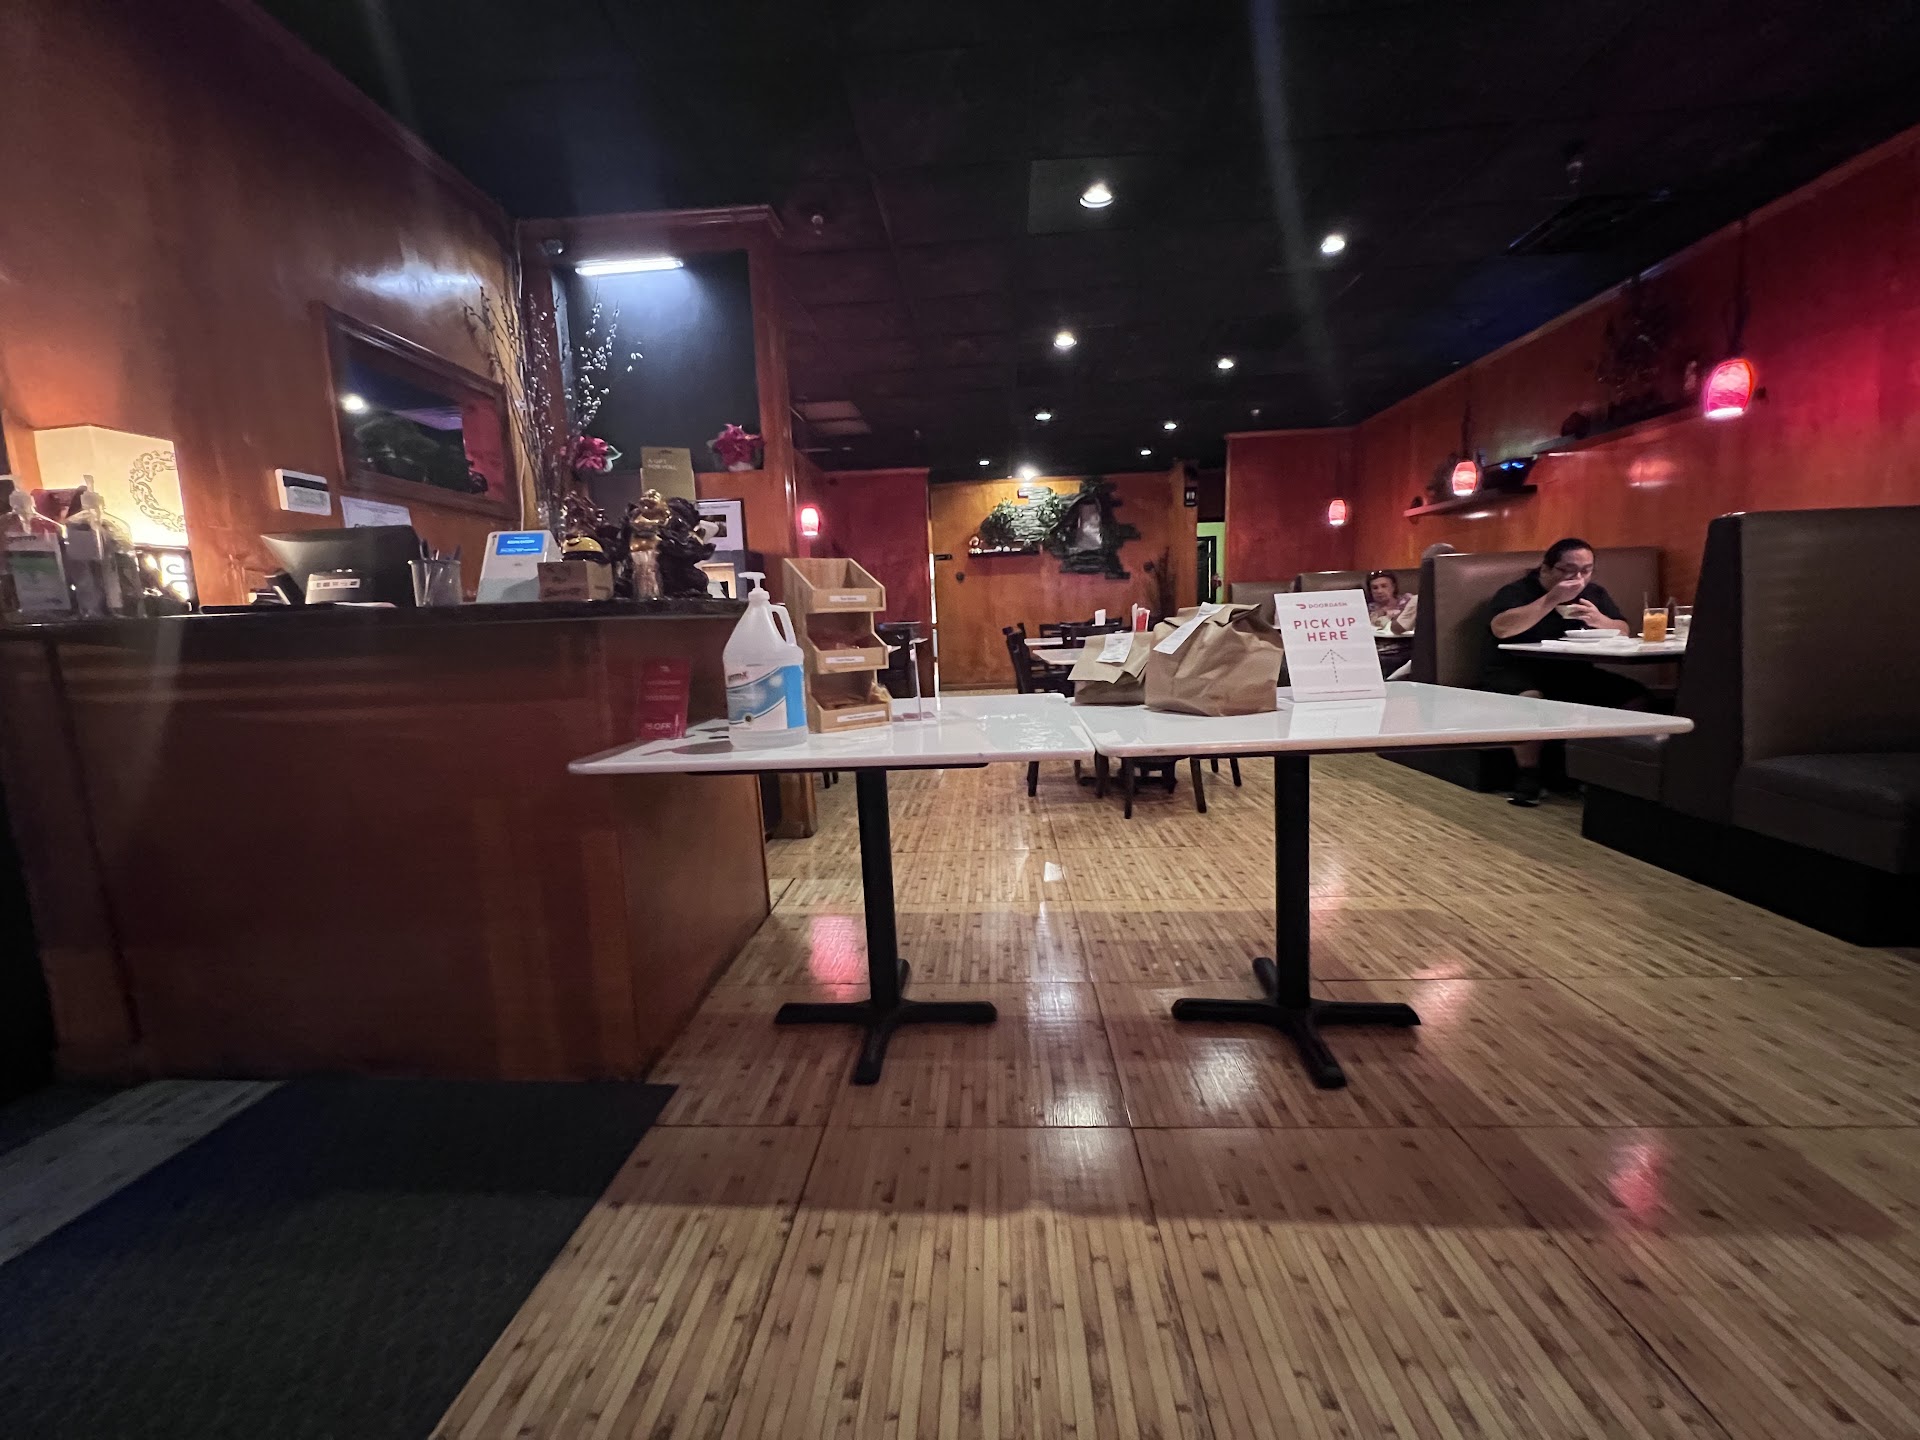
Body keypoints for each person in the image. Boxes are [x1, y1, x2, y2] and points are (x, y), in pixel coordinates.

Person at [1485, 537, 1646, 806]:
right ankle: (1528, 775)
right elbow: (1501, 628)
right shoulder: (1517, 592)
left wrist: (1600, 620)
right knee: (1530, 699)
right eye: (1568, 570)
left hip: (1573, 670)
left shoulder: (1593, 594)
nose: (1578, 578)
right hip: (1515, 668)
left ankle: (1602, 772)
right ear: (1546, 569)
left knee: (1635, 697)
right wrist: (1551, 600)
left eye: (1586, 570)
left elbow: (1624, 630)